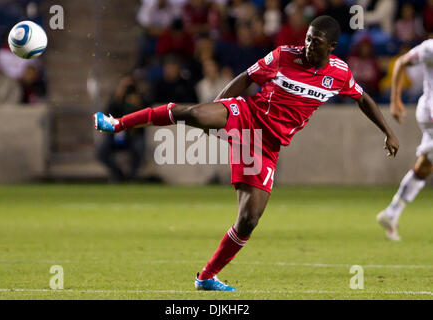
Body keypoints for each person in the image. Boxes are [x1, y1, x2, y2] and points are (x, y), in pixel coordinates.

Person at [94, 16, 399, 291]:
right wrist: (219, 105)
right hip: (246, 116)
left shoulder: (340, 74)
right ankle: (117, 123)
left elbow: (364, 99)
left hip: (266, 147)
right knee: (195, 113)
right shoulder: (283, 55)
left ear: (330, 47)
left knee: (249, 219)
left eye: (315, 42)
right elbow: (246, 78)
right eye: (307, 37)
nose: (307, 45)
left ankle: (206, 277)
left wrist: (388, 132)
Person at [377, 38, 433, 241]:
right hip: (431, 113)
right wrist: (395, 100)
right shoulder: (430, 48)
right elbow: (401, 62)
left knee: (425, 165)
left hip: (427, 114)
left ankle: (392, 213)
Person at [96, 76, 147, 183]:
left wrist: (138, 105)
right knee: (101, 151)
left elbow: (146, 118)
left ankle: (132, 177)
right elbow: (107, 116)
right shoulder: (115, 100)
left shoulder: (139, 99)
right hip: (115, 135)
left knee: (139, 148)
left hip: (133, 136)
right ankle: (118, 174)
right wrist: (117, 98)